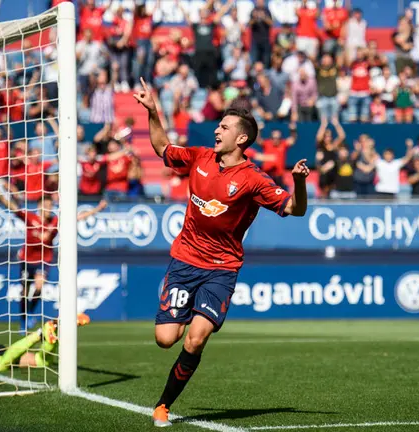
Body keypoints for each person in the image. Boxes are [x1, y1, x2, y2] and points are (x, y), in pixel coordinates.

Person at [132, 77, 311, 427]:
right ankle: (178, 322)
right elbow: (162, 149)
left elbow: (296, 209)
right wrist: (153, 111)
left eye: (225, 127)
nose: (217, 130)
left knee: (196, 340)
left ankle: (163, 405)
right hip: (185, 260)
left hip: (221, 269)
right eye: (218, 125)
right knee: (166, 339)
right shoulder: (200, 157)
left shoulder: (253, 179)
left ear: (241, 138)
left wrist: (300, 182)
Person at [0, 187, 108, 333]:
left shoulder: (55, 221)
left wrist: (97, 209)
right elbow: (14, 207)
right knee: (24, 292)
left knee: (39, 286)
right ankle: (24, 320)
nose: (48, 208)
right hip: (26, 259)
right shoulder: (30, 218)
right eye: (46, 205)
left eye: (50, 206)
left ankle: (30, 314)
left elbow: (78, 217)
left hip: (43, 259)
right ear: (39, 206)